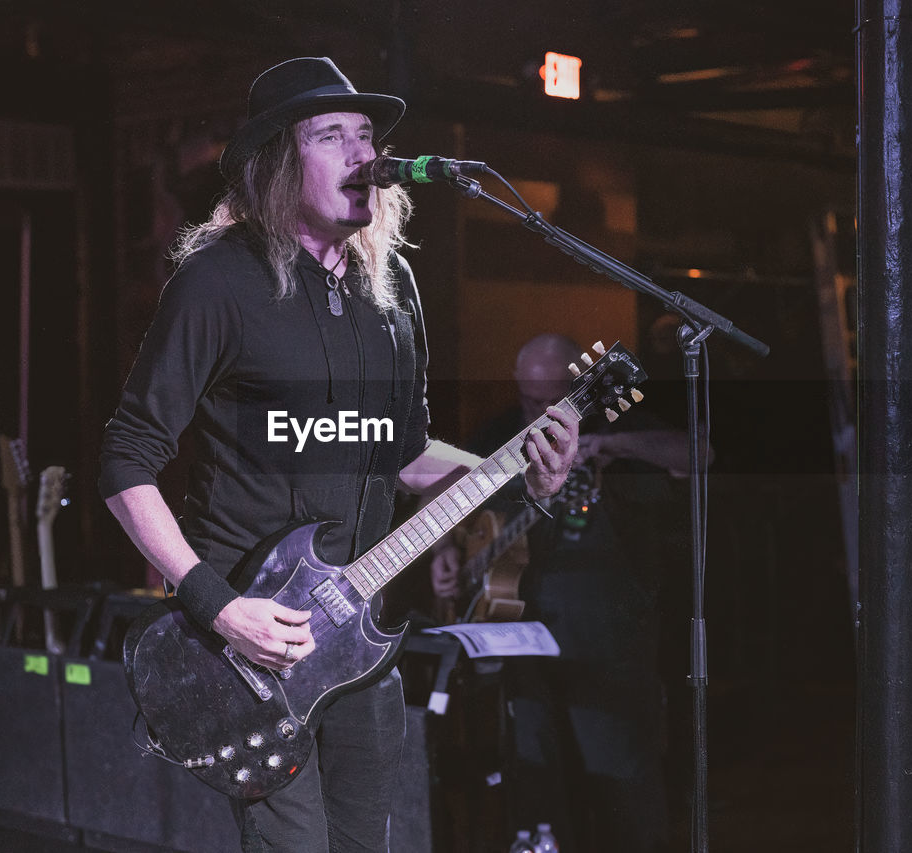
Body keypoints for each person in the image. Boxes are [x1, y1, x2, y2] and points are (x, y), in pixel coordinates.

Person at [98, 57, 579, 853]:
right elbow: (125, 459)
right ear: (279, 163)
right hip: (252, 653)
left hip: (360, 645)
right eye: (333, 136)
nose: (364, 154)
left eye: (368, 135)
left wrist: (516, 470)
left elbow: (404, 451)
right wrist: (218, 603)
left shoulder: (391, 290)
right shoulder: (218, 284)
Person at [432, 333, 695, 853]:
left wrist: (607, 445)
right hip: (521, 631)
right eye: (527, 399)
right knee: (535, 779)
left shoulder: (611, 419)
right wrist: (446, 549)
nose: (534, 413)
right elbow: (447, 485)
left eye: (546, 401)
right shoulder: (503, 431)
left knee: (618, 773)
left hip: (606, 636)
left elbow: (696, 451)